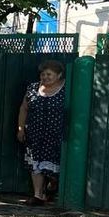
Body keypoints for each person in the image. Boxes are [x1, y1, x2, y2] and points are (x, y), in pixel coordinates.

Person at [17, 60, 66, 206]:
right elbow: (23, 109)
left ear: (59, 75)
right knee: (35, 163)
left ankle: (52, 187)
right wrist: (20, 128)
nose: (45, 77)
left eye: (49, 74)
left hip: (56, 134)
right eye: (43, 74)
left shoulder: (66, 89)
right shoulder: (32, 88)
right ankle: (38, 195)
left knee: (54, 163)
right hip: (35, 132)